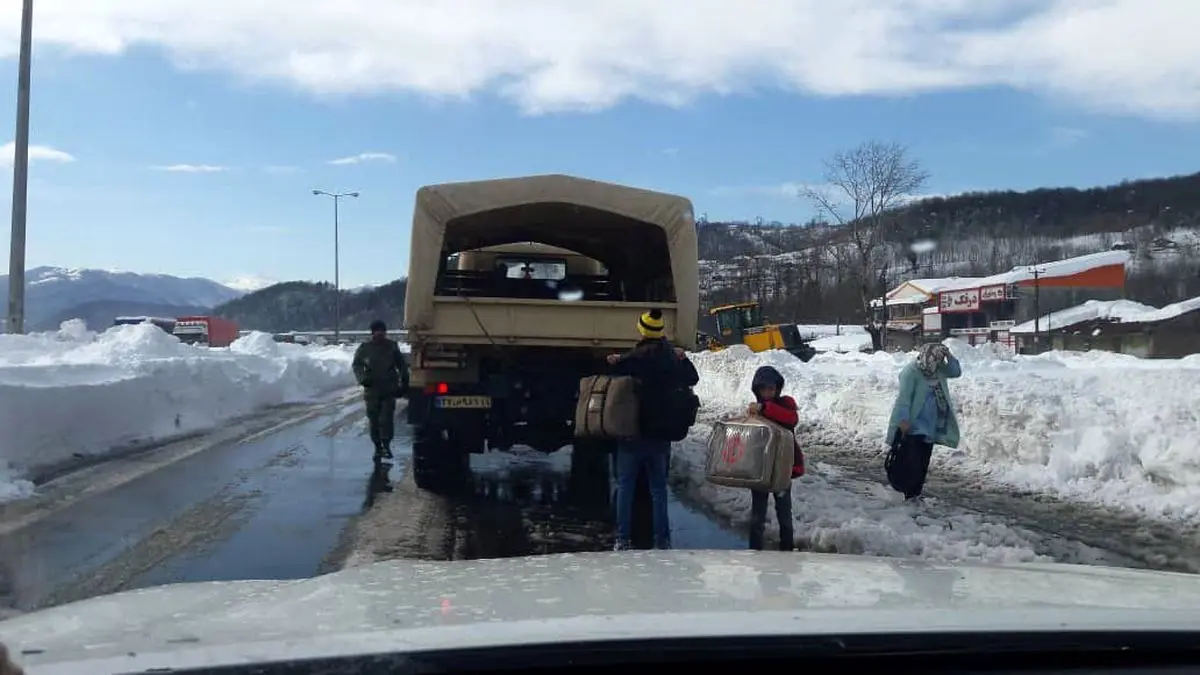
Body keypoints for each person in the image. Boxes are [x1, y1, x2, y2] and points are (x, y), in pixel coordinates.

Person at [605, 308, 698, 550]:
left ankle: (622, 539)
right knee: (658, 490)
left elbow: (614, 372)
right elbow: (693, 378)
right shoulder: (670, 358)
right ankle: (662, 541)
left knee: (625, 486)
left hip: (633, 434)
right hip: (661, 437)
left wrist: (615, 360)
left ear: (642, 330)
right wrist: (682, 357)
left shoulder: (636, 358)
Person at [886, 342, 962, 502]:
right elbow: (904, 400)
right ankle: (907, 492)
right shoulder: (911, 372)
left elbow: (955, 372)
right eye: (936, 360)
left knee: (923, 462)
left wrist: (949, 356)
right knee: (912, 461)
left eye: (940, 360)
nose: (938, 364)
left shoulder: (938, 369)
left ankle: (915, 494)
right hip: (913, 425)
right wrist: (903, 420)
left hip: (931, 424)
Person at [745, 365, 804, 551]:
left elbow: (791, 419)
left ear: (778, 388)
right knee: (757, 518)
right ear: (757, 390)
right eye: (764, 389)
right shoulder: (755, 410)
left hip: (782, 469)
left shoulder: (785, 404)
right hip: (761, 470)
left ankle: (787, 550)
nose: (768, 392)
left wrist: (765, 408)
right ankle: (755, 551)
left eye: (772, 388)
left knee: (785, 516)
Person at [352, 319, 409, 462]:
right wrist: (362, 378)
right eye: (377, 331)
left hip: (389, 388)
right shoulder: (365, 348)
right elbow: (357, 364)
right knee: (374, 419)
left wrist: (404, 383)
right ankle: (377, 447)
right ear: (372, 332)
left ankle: (386, 445)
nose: (379, 333)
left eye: (382, 331)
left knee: (387, 419)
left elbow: (401, 365)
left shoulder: (392, 347)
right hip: (372, 389)